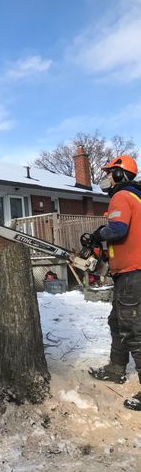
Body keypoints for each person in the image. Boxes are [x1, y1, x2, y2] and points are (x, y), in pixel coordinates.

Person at [88, 155, 141, 411]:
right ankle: (116, 368)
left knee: (134, 330)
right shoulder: (137, 197)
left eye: (111, 173)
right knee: (117, 322)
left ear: (120, 175)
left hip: (134, 274)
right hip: (128, 273)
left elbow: (118, 229)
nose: (108, 177)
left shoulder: (122, 196)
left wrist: (99, 234)